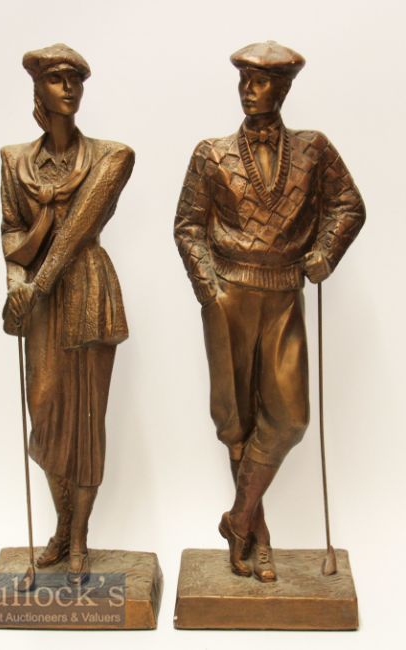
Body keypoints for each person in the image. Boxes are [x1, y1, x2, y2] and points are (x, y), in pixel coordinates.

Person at [174, 41, 365, 581]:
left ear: (283, 89)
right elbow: (187, 226)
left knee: (289, 419)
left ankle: (236, 518)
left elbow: (348, 205)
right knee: (235, 420)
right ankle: (258, 536)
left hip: (283, 295)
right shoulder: (211, 153)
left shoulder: (313, 149)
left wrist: (325, 250)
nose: (248, 90)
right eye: (243, 80)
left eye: (259, 82)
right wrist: (209, 288)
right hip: (229, 294)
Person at [0, 44, 134, 585]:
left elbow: (79, 226)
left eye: (76, 79)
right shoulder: (14, 160)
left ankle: (78, 537)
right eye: (56, 79)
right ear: (38, 87)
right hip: (39, 302)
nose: (69, 87)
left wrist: (38, 283)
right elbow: (11, 232)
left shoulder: (111, 157)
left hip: (87, 290)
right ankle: (60, 525)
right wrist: (16, 287)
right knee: (44, 413)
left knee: (87, 421)